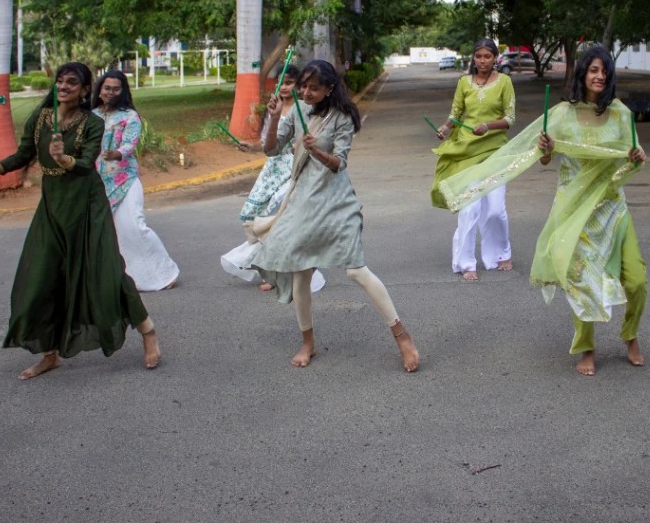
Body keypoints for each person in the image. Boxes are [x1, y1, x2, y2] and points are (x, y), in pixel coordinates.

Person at [440, 46, 648, 376]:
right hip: (574, 208)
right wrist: (547, 150)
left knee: (636, 281)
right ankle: (586, 347)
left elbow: (630, 157)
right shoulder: (563, 114)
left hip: (612, 207)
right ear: (582, 74)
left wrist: (636, 159)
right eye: (593, 70)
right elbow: (545, 158)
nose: (599, 76)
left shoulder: (622, 114)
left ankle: (630, 335)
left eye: (604, 71)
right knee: (580, 280)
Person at [0, 62, 161, 379]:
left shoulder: (92, 123)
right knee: (42, 275)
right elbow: (22, 155)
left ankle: (148, 331)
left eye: (72, 82)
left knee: (107, 273)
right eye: (60, 81)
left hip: (87, 205)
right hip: (53, 207)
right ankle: (50, 354)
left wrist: (65, 159)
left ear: (84, 91)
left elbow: (84, 164)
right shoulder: (41, 118)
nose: (64, 86)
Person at [251, 60, 419, 372]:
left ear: (330, 88)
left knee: (356, 271)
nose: (306, 92)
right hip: (302, 201)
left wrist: (316, 151)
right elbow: (271, 150)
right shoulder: (297, 110)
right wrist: (274, 119)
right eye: (303, 86)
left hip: (336, 202)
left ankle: (402, 335)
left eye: (313, 87)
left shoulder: (341, 117)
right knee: (300, 272)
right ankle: (308, 342)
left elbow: (338, 162)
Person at [220, 65, 325, 294]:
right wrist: (252, 146)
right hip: (272, 169)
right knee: (252, 218)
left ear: (299, 85)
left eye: (289, 83)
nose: (284, 87)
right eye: (280, 82)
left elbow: (315, 137)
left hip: (296, 167)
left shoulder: (305, 108)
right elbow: (270, 142)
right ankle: (271, 268)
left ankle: (293, 268)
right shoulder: (273, 107)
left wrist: (307, 145)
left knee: (280, 217)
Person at [430, 38, 516, 281]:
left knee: (495, 210)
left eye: (487, 56)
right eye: (478, 56)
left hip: (495, 151)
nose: (482, 61)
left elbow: (510, 118)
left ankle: (500, 254)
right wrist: (445, 129)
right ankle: (466, 262)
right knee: (469, 209)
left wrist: (488, 126)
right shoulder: (464, 83)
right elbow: (455, 113)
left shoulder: (505, 82)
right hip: (467, 151)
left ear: (495, 58)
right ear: (473, 58)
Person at [92, 70, 180, 292]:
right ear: (100, 90)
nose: (110, 92)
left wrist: (118, 153)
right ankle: (129, 277)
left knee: (135, 225)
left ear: (123, 91)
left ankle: (165, 273)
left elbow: (130, 144)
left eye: (116, 88)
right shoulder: (91, 115)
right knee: (112, 232)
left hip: (125, 179)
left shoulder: (130, 116)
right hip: (99, 182)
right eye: (107, 88)